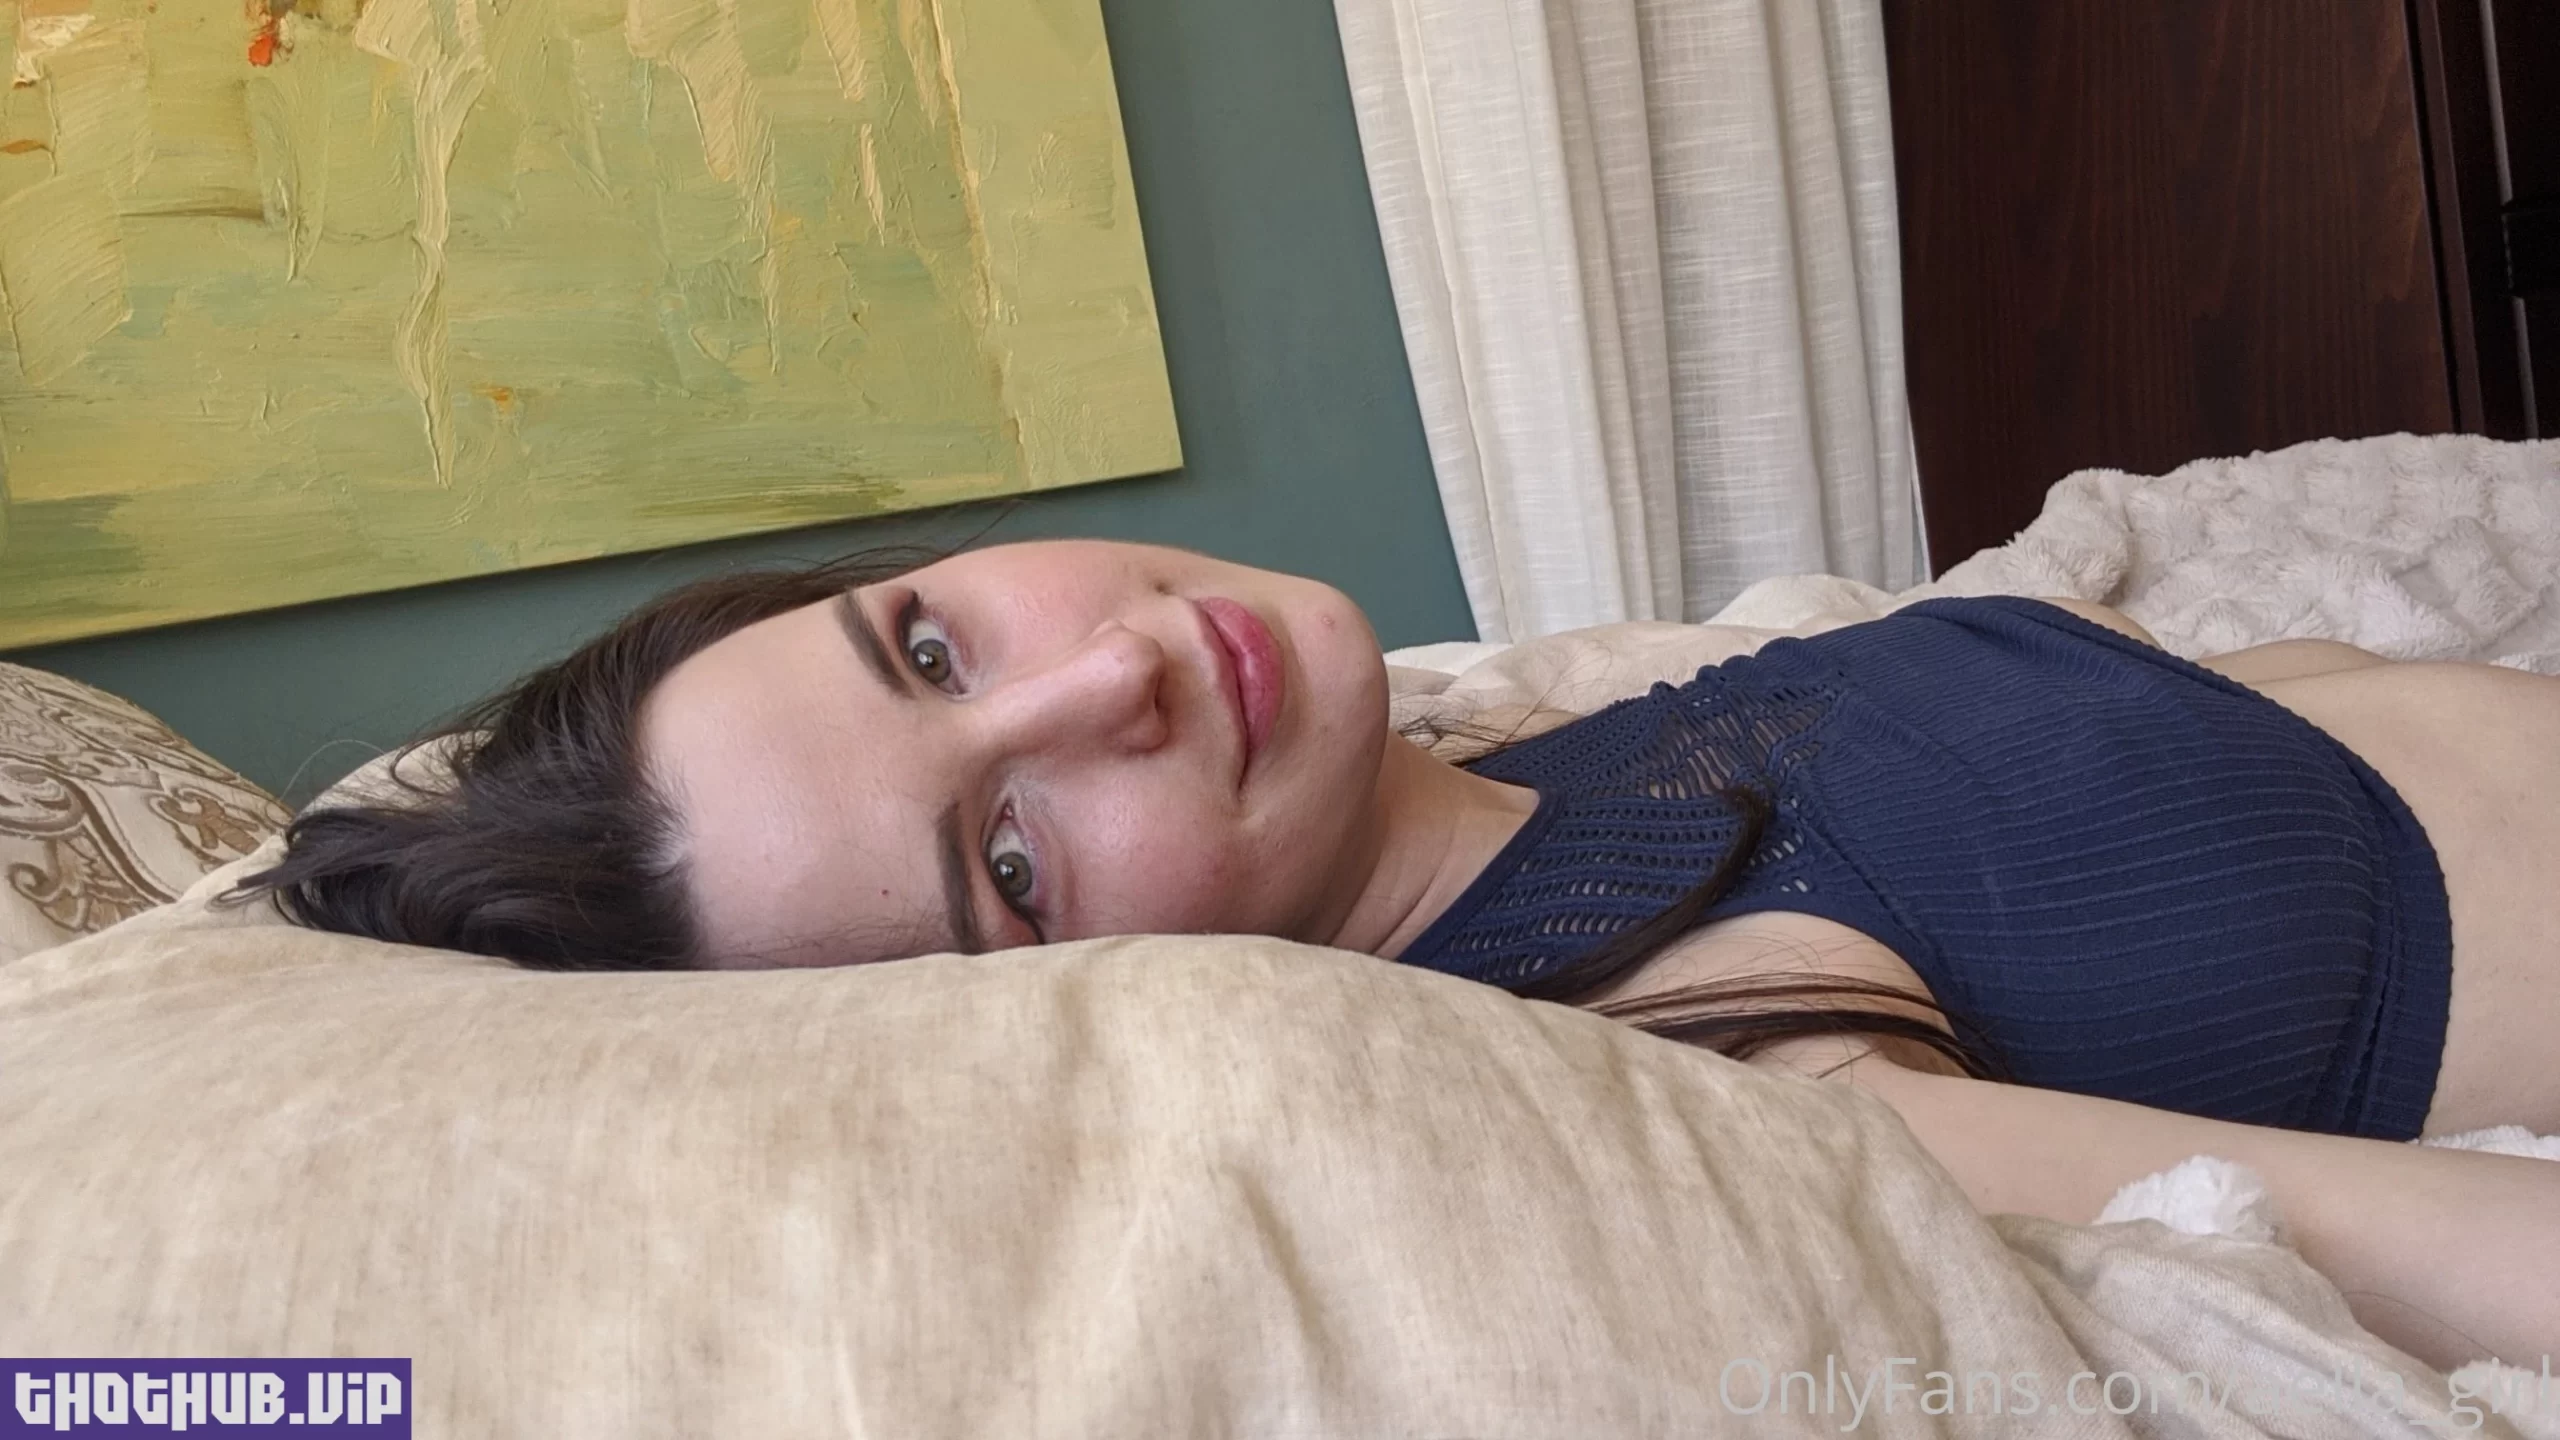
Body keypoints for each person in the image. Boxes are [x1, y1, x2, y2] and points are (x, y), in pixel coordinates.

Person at [238, 539, 2560, 1370]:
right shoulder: (1679, 1046)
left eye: (930, 644)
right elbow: (2449, 1255)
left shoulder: (1528, 752)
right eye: (1014, 861)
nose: (1109, 679)